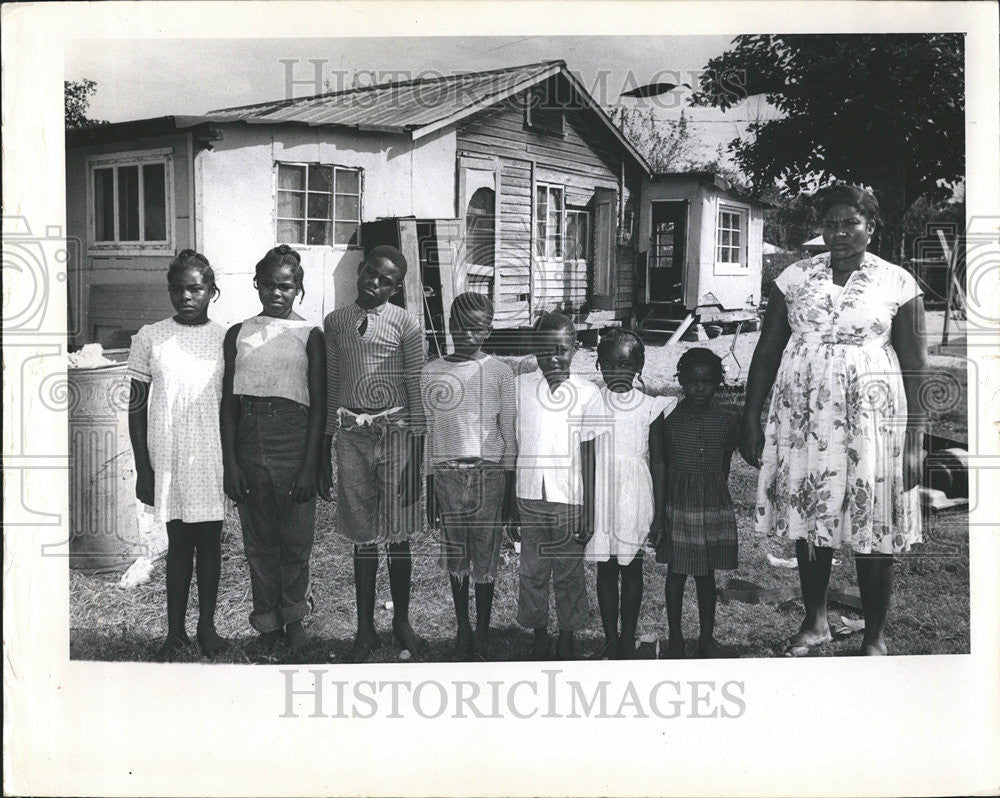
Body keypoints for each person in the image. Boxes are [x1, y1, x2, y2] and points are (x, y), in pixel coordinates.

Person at [740, 183, 928, 657]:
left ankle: (874, 637)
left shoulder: (898, 282)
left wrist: (916, 439)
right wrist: (751, 414)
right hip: (803, 414)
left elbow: (915, 363)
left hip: (873, 415)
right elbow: (767, 351)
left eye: (851, 223)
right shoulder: (794, 278)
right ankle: (816, 620)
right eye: (831, 224)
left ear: (871, 226)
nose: (840, 233)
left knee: (873, 517)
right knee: (810, 511)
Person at [320, 245, 427, 663]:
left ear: (396, 288)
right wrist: (325, 446)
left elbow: (416, 387)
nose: (374, 283)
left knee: (398, 535)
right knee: (363, 535)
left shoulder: (406, 324)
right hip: (352, 435)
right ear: (360, 270)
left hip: (397, 432)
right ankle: (364, 629)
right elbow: (332, 386)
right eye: (370, 273)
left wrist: (417, 448)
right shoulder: (335, 322)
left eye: (386, 280)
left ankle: (401, 621)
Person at [221, 245, 325, 662]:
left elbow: (318, 404)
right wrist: (231, 463)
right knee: (259, 541)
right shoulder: (238, 333)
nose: (276, 293)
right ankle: (267, 622)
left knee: (295, 538)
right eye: (268, 284)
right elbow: (228, 402)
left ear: (298, 289)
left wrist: (310, 466)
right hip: (249, 441)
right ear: (257, 285)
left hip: (294, 440)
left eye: (285, 286)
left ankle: (295, 618)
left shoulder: (310, 335)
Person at [127, 249, 228, 660]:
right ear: (169, 291)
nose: (187, 296)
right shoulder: (150, 336)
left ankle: (207, 628)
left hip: (210, 456)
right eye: (179, 288)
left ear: (211, 291)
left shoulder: (225, 338)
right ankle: (175, 632)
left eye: (196, 288)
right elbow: (135, 408)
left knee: (209, 541)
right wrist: (143, 468)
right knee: (178, 542)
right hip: (166, 455)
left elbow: (230, 405)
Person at [421, 293, 517, 661]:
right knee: (456, 554)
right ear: (448, 326)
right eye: (460, 326)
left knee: (485, 556)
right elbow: (430, 432)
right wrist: (430, 483)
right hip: (447, 475)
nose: (467, 334)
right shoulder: (431, 372)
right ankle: (462, 627)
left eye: (477, 327)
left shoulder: (500, 372)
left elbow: (509, 434)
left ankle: (483, 631)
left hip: (488, 475)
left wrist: (507, 489)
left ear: (489, 329)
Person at [514, 312, 606, 660]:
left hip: (570, 499)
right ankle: (539, 632)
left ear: (575, 349)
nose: (553, 357)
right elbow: (515, 442)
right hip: (528, 495)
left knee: (568, 573)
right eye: (545, 350)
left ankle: (567, 633)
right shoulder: (521, 386)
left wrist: (590, 510)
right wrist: (512, 502)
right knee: (532, 572)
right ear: (534, 349)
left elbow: (591, 454)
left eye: (562, 350)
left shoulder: (587, 393)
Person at [586, 328, 673, 660]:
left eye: (624, 365)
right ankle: (611, 637)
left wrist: (659, 515)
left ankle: (628, 637)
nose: (616, 373)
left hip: (634, 493)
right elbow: (588, 455)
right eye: (608, 365)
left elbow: (660, 462)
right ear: (598, 366)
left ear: (639, 365)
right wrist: (587, 506)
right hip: (602, 492)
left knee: (631, 565)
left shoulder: (650, 407)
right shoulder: (594, 402)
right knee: (605, 567)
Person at [653, 348, 740, 659]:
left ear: (718, 382)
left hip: (711, 506)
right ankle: (675, 637)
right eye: (692, 382)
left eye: (707, 382)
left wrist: (714, 493)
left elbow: (726, 462)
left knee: (706, 576)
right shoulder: (669, 420)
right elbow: (661, 463)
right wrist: (659, 515)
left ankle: (706, 638)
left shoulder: (728, 420)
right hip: (678, 506)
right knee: (676, 574)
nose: (699, 388)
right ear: (681, 382)